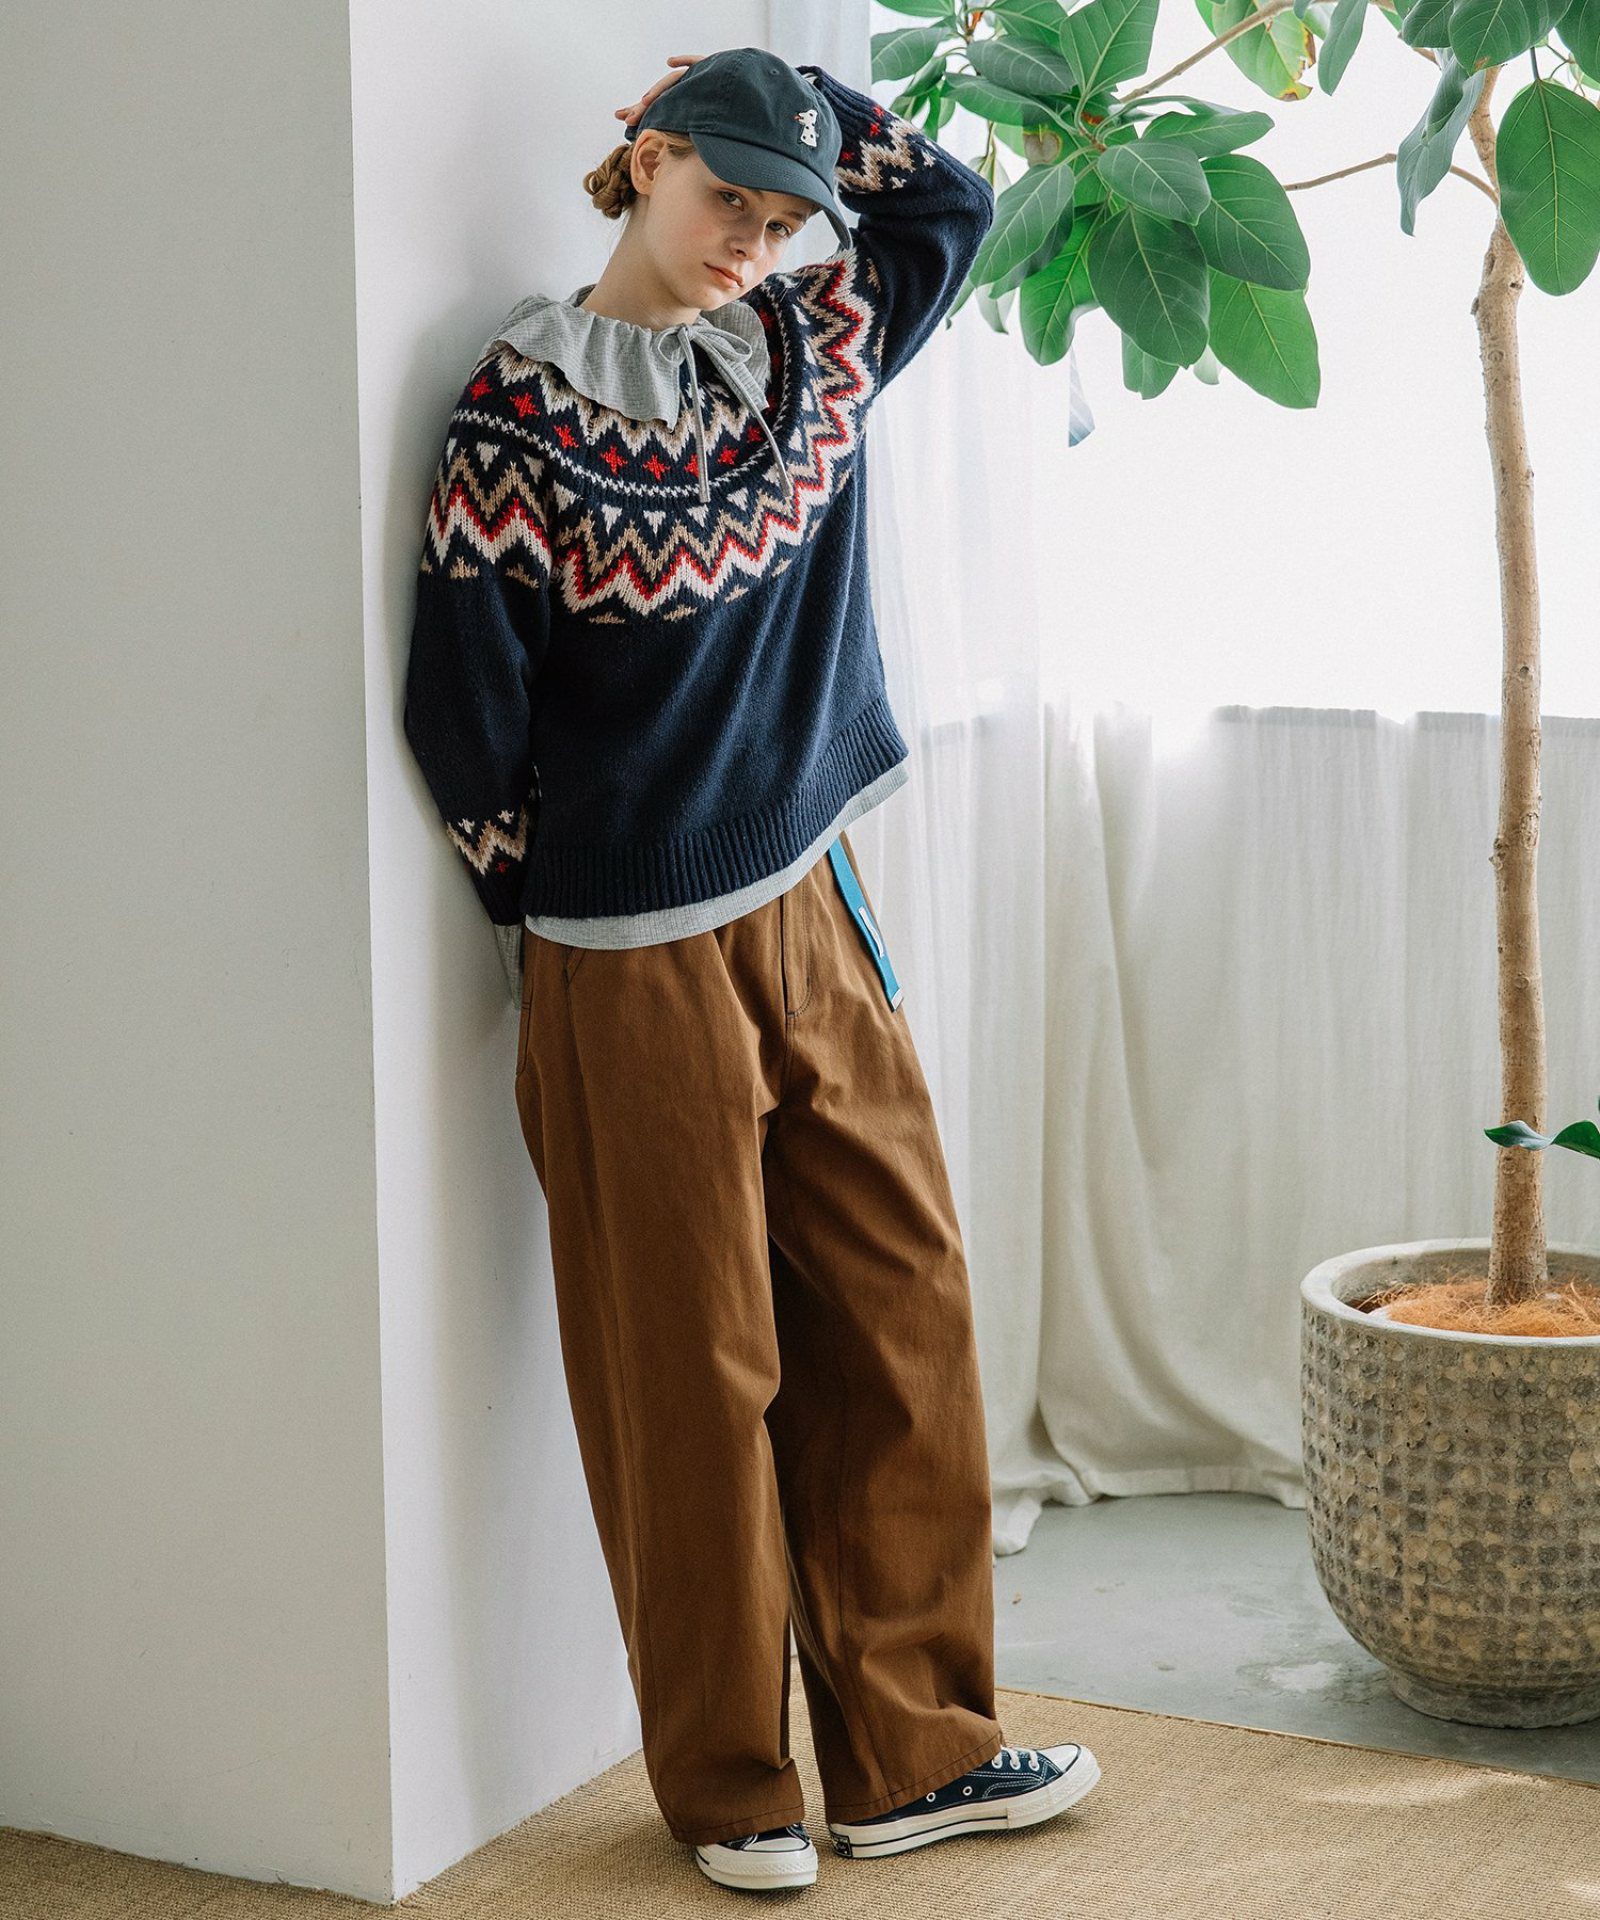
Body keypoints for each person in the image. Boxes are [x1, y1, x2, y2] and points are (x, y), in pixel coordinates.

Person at [401, 45, 1100, 1895]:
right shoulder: (515, 418)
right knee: (689, 1374)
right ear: (643, 162)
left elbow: (948, 208)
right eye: (729, 200)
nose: (754, 244)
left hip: (812, 904)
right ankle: (731, 1788)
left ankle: (915, 1755)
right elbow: (465, 716)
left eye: (784, 220)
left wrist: (806, 101)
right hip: (624, 956)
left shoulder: (812, 352)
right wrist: (555, 917)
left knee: (901, 1306)